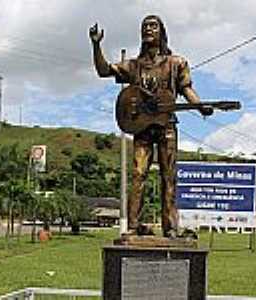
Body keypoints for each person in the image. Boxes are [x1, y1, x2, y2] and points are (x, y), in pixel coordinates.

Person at [89, 15, 212, 237]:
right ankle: (134, 226)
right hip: (142, 129)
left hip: (166, 127)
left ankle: (170, 227)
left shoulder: (176, 63)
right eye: (145, 27)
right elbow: (103, 70)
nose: (148, 29)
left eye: (153, 26)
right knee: (138, 174)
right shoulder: (134, 66)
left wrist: (200, 106)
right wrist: (96, 44)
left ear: (161, 31)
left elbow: (187, 90)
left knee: (169, 175)